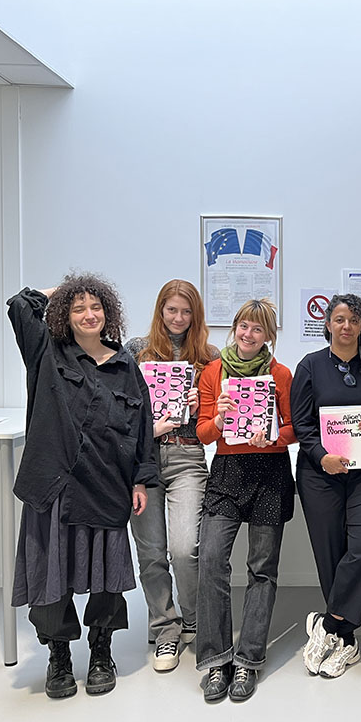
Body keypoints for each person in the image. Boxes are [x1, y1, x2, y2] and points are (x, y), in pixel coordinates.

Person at [7, 275, 157, 699]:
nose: (89, 315)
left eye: (95, 306)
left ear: (108, 312)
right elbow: (20, 305)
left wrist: (141, 479)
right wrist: (63, 290)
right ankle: (58, 655)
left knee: (107, 578)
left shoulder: (126, 365)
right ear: (65, 315)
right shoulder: (46, 352)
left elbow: (142, 427)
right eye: (78, 308)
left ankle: (101, 652)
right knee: (50, 575)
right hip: (53, 484)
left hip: (107, 483)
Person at [291, 294, 361, 678]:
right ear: (328, 324)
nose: (346, 326)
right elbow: (301, 423)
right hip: (320, 471)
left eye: (353, 320)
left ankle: (327, 625)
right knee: (331, 551)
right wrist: (321, 455)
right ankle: (346, 639)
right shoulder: (310, 366)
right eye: (339, 319)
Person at [194, 298, 296, 702]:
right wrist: (219, 419)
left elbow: (295, 428)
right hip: (227, 472)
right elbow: (203, 432)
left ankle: (248, 660)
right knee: (211, 560)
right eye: (243, 326)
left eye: (257, 328)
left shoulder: (280, 374)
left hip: (270, 473)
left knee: (262, 568)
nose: (248, 334)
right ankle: (216, 659)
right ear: (234, 328)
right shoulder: (213, 372)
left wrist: (274, 435)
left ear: (268, 335)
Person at [125, 280, 218, 672]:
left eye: (186, 311)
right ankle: (165, 629)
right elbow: (122, 412)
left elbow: (215, 421)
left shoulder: (210, 356)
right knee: (150, 552)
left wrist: (200, 405)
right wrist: (152, 426)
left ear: (196, 315)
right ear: (160, 310)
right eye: (172, 310)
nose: (178, 318)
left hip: (187, 456)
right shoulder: (135, 350)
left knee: (184, 548)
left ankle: (192, 618)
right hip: (143, 461)